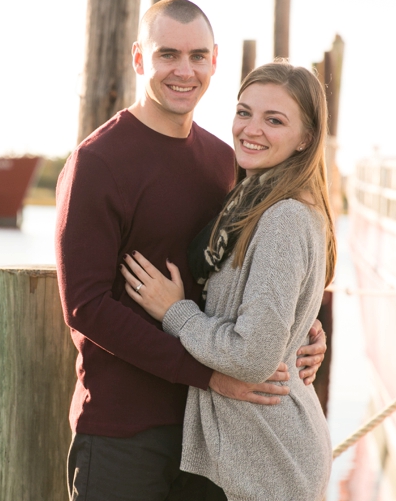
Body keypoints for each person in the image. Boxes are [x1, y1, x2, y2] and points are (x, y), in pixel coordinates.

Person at [55, 0, 327, 501]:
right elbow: (85, 307)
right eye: (168, 55)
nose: (185, 71)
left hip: (211, 436)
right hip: (124, 429)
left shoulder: (228, 163)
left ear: (215, 61)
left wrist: (301, 326)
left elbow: (245, 273)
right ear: (140, 59)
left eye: (198, 56)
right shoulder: (97, 162)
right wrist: (206, 375)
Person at [121, 62, 335, 501]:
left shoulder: (284, 218)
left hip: (266, 462)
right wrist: (302, 330)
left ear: (306, 138)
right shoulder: (252, 200)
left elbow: (253, 355)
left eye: (274, 120)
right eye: (244, 112)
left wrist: (176, 312)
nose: (251, 129)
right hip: (251, 453)